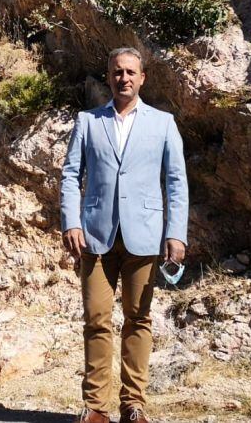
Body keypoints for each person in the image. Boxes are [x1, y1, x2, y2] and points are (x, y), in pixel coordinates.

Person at [60, 47, 189, 423]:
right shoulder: (88, 121)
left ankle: (134, 404)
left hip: (145, 236)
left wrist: (175, 233)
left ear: (142, 77)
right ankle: (96, 408)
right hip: (95, 236)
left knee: (139, 319)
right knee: (96, 318)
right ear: (109, 76)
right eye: (118, 72)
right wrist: (71, 221)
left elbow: (176, 182)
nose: (124, 78)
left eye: (131, 72)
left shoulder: (163, 123)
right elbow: (70, 174)